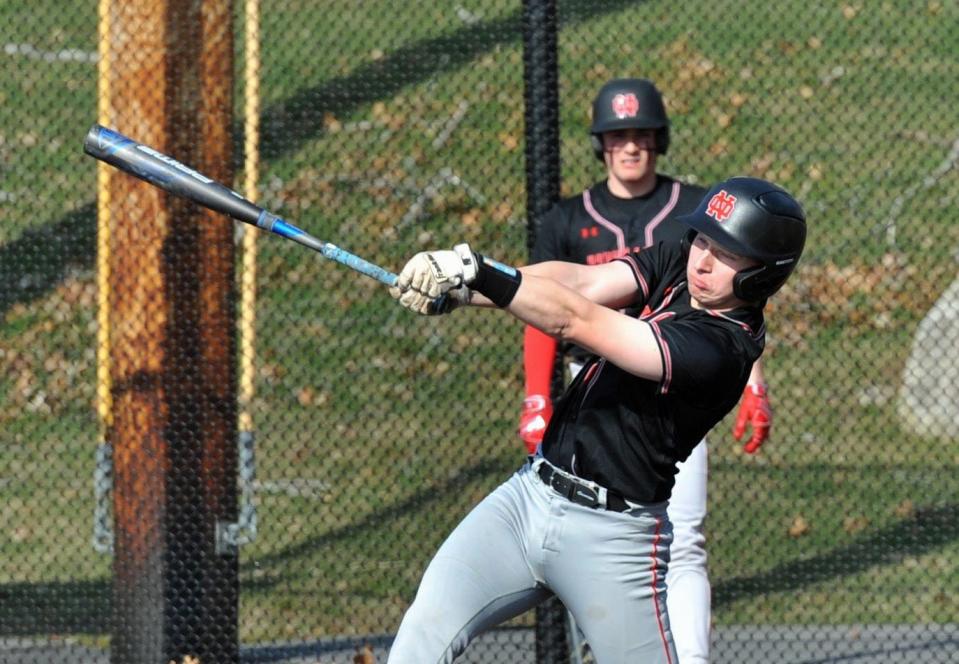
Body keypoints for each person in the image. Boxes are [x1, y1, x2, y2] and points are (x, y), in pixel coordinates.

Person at [386, 175, 807, 663]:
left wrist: (479, 273)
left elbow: (577, 319)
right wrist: (464, 288)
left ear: (763, 274)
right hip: (527, 500)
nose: (704, 260)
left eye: (728, 253)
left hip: (613, 540)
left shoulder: (722, 351)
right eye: (704, 240)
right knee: (424, 630)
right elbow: (581, 282)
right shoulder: (679, 263)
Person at [517, 78, 773, 663]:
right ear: (600, 144)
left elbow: (744, 306)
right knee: (583, 535)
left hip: (681, 387)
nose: (630, 147)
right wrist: (537, 398)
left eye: (640, 135)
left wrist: (755, 388)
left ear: (659, 139)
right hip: (595, 383)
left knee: (685, 542)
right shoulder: (568, 219)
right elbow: (544, 308)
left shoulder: (701, 208)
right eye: (616, 136)